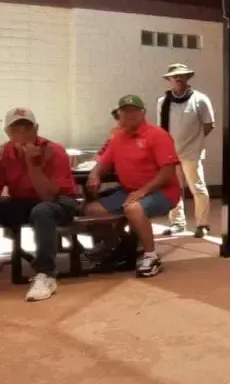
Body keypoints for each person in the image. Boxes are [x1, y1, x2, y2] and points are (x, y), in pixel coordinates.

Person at [84, 95, 180, 278]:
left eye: (134, 110)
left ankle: (151, 256)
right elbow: (103, 163)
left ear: (143, 113)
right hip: (129, 190)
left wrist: (142, 192)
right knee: (91, 210)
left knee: (133, 208)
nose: (130, 114)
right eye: (125, 111)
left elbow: (167, 172)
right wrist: (95, 174)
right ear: (118, 114)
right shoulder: (117, 137)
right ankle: (121, 247)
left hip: (162, 191)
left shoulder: (157, 135)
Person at [0, 108, 78, 302]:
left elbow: (48, 196)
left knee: (42, 211)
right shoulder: (4, 153)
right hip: (24, 201)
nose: (22, 134)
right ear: (7, 132)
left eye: (27, 128)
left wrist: (32, 164)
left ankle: (46, 274)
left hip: (60, 202)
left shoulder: (54, 151)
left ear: (36, 129)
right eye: (16, 129)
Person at [157, 62, 215, 238]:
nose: (178, 78)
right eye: (174, 76)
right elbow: (161, 129)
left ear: (188, 78)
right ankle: (177, 223)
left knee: (197, 187)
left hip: (192, 152)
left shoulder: (200, 99)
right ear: (169, 80)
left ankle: (202, 224)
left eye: (182, 75)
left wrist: (194, 142)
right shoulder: (163, 102)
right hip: (170, 153)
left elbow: (209, 124)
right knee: (173, 188)